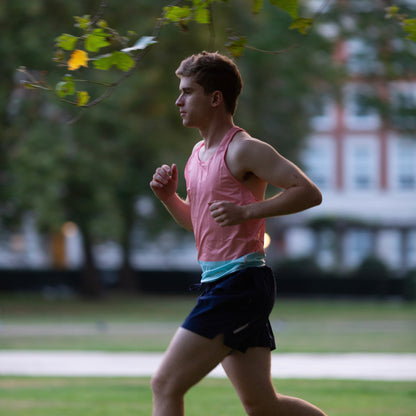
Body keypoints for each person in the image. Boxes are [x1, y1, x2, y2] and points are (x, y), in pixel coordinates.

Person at [150, 51, 326, 416]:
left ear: (215, 98)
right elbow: (201, 226)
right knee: (263, 405)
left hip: (239, 284)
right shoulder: (198, 154)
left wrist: (247, 211)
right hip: (221, 283)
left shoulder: (244, 149)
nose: (178, 101)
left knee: (165, 384)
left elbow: (308, 192)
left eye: (187, 92)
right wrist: (169, 199)